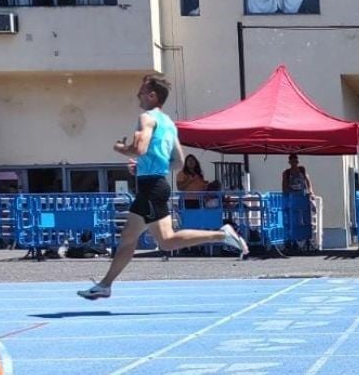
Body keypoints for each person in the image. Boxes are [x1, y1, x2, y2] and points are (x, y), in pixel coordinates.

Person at [78, 76, 248, 300]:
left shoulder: (146, 118)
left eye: (141, 92)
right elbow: (178, 162)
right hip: (155, 184)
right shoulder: (168, 123)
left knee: (166, 241)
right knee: (130, 239)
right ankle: (105, 285)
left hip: (151, 189)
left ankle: (220, 235)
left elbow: (138, 149)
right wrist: (144, 167)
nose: (137, 96)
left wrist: (120, 147)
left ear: (152, 96)